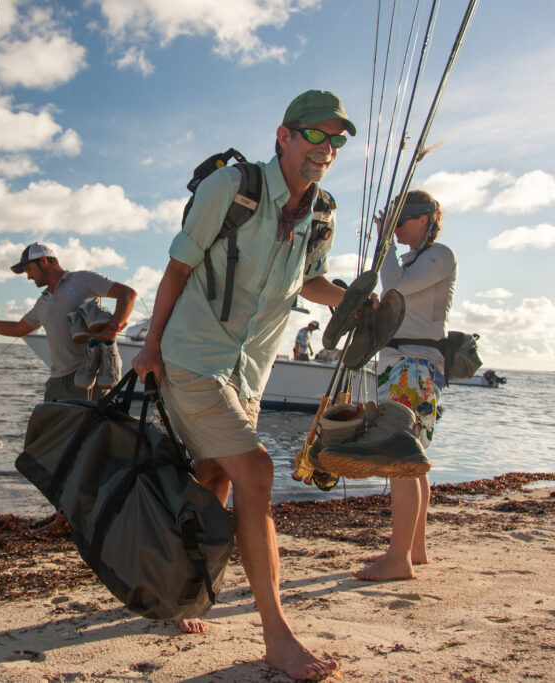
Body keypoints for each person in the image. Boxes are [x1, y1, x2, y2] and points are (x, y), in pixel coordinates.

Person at [132, 90, 355, 679]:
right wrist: (150, 347)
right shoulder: (231, 187)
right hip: (192, 357)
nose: (325, 149)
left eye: (335, 141)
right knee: (256, 470)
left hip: (251, 369)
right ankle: (277, 637)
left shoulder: (323, 212)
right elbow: (178, 266)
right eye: (315, 135)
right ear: (284, 136)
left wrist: (352, 300)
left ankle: (186, 590)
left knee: (213, 479)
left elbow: (310, 283)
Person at [354, 189, 456, 582]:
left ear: (425, 220)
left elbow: (396, 286)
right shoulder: (414, 260)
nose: (394, 228)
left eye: (401, 221)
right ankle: (414, 549)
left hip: (413, 366)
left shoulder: (439, 255)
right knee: (412, 462)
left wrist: (383, 245)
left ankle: (398, 561)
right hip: (403, 364)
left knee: (399, 460)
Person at [0, 243, 137, 401]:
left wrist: (113, 327)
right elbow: (18, 329)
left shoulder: (82, 279)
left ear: (43, 261)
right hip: (57, 383)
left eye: (29, 270)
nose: (28, 277)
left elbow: (128, 294)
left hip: (89, 379)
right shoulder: (42, 303)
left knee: (88, 438)